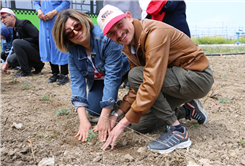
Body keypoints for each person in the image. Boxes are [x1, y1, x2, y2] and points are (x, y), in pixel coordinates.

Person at [97, 5, 214, 154]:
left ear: (128, 17)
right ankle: (187, 109)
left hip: (197, 77)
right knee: (140, 124)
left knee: (136, 76)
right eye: (112, 33)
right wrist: (116, 115)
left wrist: (121, 125)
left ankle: (178, 131)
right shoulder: (130, 46)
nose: (119, 34)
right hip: (174, 81)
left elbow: (150, 83)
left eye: (119, 24)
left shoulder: (154, 32)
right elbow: (135, 89)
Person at [52, 9, 129, 142]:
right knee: (93, 110)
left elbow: (112, 77)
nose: (76, 32)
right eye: (69, 33)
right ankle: (116, 104)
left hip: (122, 72)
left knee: (132, 88)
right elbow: (76, 82)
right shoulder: (73, 53)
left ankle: (125, 103)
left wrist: (105, 118)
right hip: (101, 79)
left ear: (83, 20)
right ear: (66, 39)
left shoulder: (105, 39)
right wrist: (83, 120)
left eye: (77, 26)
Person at [34, 0, 70, 85]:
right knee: (48, 44)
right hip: (44, 20)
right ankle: (55, 72)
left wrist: (54, 12)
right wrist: (39, 11)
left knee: (59, 44)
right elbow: (36, 2)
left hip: (57, 18)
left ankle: (64, 74)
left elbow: (66, 3)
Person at [0, 8, 44, 77]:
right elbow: (14, 48)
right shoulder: (15, 29)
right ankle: (37, 65)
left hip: (38, 53)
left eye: (3, 17)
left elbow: (38, 37)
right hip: (31, 53)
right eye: (1, 19)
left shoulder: (24, 23)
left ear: (12, 16)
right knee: (10, 60)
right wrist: (6, 63)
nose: (2, 20)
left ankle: (26, 71)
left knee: (16, 42)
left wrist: (24, 41)